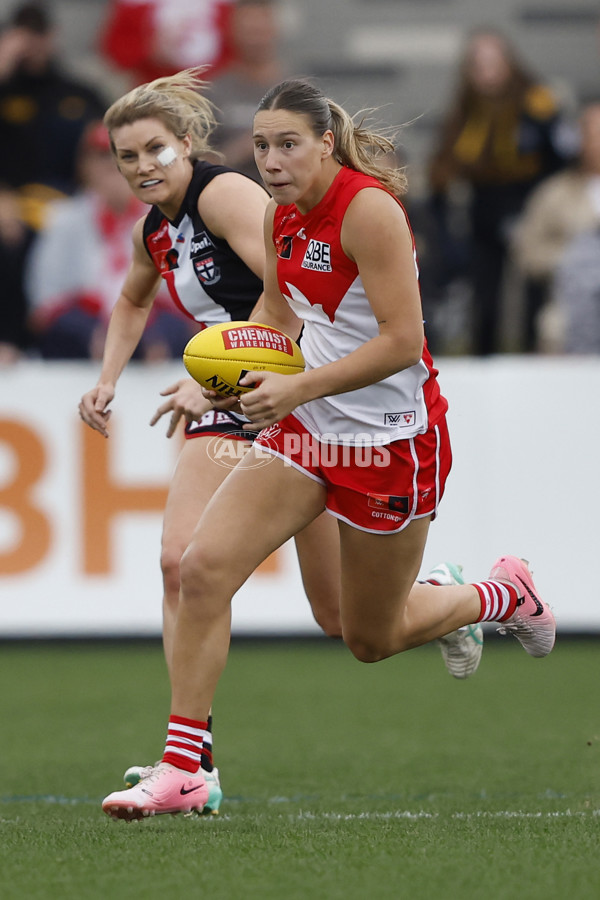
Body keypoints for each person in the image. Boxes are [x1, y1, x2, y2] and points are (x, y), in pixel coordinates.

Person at [100, 78, 556, 821]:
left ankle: (501, 594)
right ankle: (185, 769)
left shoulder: (369, 211)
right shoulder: (281, 215)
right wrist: (236, 370)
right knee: (200, 569)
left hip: (390, 445)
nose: (271, 161)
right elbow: (278, 309)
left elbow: (403, 342)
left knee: (365, 637)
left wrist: (299, 388)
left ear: (325, 143)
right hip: (309, 432)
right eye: (261, 147)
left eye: (287, 145)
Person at [78, 69, 345, 814]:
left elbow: (288, 286)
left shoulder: (223, 194)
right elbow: (132, 300)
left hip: (297, 387)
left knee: (347, 620)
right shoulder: (154, 230)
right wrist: (107, 379)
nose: (141, 168)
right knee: (178, 562)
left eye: (154, 149)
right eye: (126, 157)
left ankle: (479, 594)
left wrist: (222, 368)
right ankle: (192, 763)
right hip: (237, 397)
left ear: (186, 143)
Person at [427, 28, 573, 355]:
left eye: (493, 63)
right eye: (478, 64)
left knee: (532, 295)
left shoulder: (535, 100)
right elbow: (445, 162)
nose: (486, 72)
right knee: (485, 296)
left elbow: (562, 153)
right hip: (482, 209)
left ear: (509, 63)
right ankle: (485, 357)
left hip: (531, 205)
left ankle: (533, 357)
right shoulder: (465, 108)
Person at [26, 121, 194, 360]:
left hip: (154, 330)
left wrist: (154, 332)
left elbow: (187, 294)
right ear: (85, 165)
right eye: (104, 157)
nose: (115, 167)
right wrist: (90, 333)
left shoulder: (171, 219)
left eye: (127, 156)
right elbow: (45, 302)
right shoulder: (63, 218)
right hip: (82, 335)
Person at [0, 1, 107, 363]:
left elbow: (108, 142)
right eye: (23, 35)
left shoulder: (79, 94)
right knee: (9, 243)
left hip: (75, 202)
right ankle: (10, 344)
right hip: (12, 204)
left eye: (38, 34)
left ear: (53, 37)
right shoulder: (5, 90)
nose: (32, 44)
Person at [512, 100, 600, 352]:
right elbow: (527, 250)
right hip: (567, 312)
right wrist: (574, 260)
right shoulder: (554, 193)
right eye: (592, 133)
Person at [209, 0, 286, 181]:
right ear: (232, 32)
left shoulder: (298, 91)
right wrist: (248, 146)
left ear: (274, 30)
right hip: (231, 193)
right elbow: (197, 165)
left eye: (260, 31)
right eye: (249, 31)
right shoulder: (214, 93)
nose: (255, 39)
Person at [100, 0, 235, 87]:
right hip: (155, 91)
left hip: (220, 93)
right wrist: (149, 49)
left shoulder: (227, 6)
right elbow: (115, 50)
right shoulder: (134, 5)